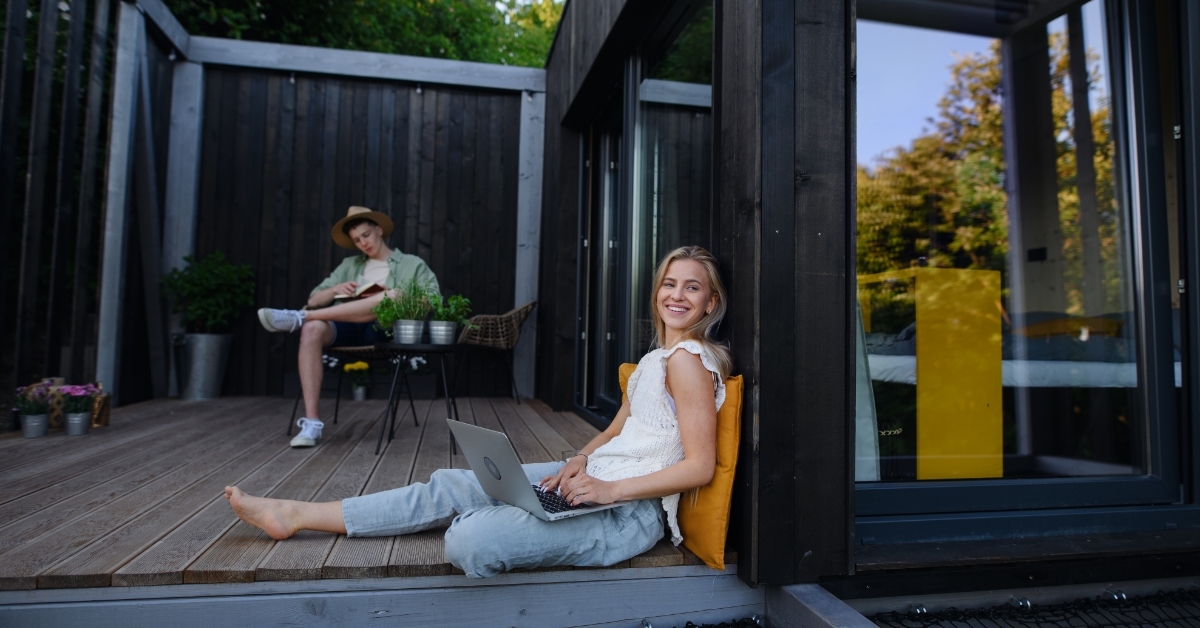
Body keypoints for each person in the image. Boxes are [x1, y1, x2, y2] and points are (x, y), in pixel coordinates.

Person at [227, 245, 731, 578]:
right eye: (670, 283)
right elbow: (621, 427)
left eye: (692, 287)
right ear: (657, 292)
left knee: (471, 539)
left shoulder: (688, 362)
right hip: (595, 481)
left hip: (629, 512)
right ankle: (294, 513)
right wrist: (579, 458)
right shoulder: (654, 359)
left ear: (711, 303)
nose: (677, 295)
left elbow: (698, 466)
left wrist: (607, 489)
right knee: (451, 483)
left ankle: (510, 513)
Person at [256, 206, 439, 448]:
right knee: (312, 330)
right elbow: (313, 299)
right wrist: (335, 290)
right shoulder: (349, 265)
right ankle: (311, 423)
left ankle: (300, 317)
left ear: (379, 230)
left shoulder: (411, 264)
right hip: (346, 327)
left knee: (393, 294)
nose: (363, 243)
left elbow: (433, 299)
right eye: (356, 240)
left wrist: (392, 298)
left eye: (366, 235)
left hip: (383, 328)